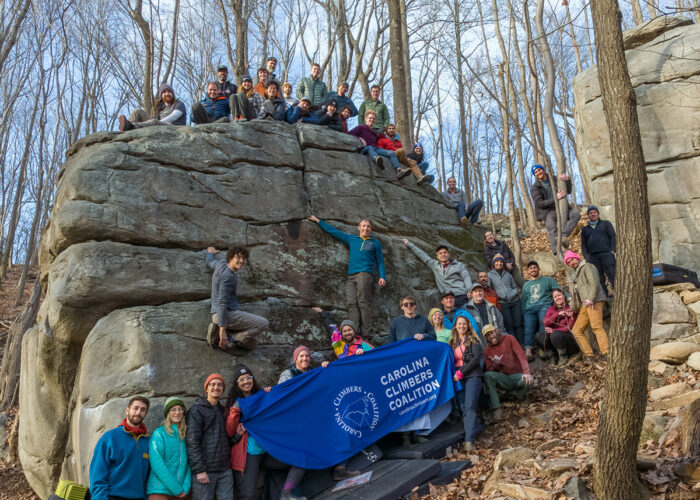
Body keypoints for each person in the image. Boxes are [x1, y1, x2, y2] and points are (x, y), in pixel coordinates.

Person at [226, 365, 305, 500]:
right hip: (249, 454)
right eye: (241, 380)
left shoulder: (262, 395)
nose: (246, 381)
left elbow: (277, 411)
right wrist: (236, 408)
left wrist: (270, 394)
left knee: (301, 460)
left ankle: (286, 494)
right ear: (237, 384)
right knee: (248, 495)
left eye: (248, 378)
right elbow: (229, 431)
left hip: (267, 451)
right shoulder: (236, 404)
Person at [313, 309, 369, 480]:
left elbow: (379, 357)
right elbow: (331, 328)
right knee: (347, 422)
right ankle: (341, 466)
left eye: (349, 329)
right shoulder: (338, 343)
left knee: (365, 421)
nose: (347, 332)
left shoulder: (363, 345)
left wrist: (365, 354)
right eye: (344, 330)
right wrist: (323, 313)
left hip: (363, 387)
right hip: (346, 388)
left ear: (354, 331)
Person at [308, 215, 386, 335]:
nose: (366, 228)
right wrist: (318, 221)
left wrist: (382, 276)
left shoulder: (375, 243)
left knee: (363, 303)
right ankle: (354, 332)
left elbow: (380, 261)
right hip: (351, 276)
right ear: (359, 227)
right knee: (351, 303)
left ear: (371, 229)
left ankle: (367, 334)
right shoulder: (352, 239)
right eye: (364, 226)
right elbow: (334, 232)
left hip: (364, 274)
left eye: (368, 226)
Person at [205, 246, 269, 351]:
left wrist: (210, 252)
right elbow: (222, 302)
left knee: (254, 342)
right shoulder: (229, 277)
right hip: (225, 315)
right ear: (230, 258)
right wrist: (222, 330)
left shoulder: (220, 265)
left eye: (244, 258)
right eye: (238, 257)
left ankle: (231, 335)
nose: (242, 261)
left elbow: (210, 262)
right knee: (263, 323)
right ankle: (231, 338)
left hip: (221, 313)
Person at [89, 396, 151, 500]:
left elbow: (149, 477)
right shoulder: (110, 438)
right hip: (112, 496)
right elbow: (97, 473)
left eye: (143, 410)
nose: (138, 412)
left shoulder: (148, 442)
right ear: (127, 410)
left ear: (145, 414)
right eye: (135, 408)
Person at [186, 374, 233, 499]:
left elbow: (228, 439)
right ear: (206, 389)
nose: (216, 387)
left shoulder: (224, 411)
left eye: (219, 384)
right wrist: (199, 470)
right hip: (205, 471)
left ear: (223, 389)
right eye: (212, 384)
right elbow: (192, 442)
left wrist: (238, 434)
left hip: (225, 471)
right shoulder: (197, 410)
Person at [565, 250, 609, 363]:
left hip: (594, 301)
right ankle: (589, 355)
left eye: (572, 259)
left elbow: (594, 283)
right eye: (568, 262)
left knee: (596, 327)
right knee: (576, 330)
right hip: (585, 304)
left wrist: (591, 299)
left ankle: (606, 353)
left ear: (577, 258)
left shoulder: (587, 266)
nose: (571, 263)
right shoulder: (576, 274)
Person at [401, 239, 473, 307]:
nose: (443, 255)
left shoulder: (459, 265)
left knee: (465, 317)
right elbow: (423, 255)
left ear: (448, 254)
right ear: (437, 256)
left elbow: (466, 277)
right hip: (447, 298)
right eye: (440, 253)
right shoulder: (434, 265)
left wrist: (469, 290)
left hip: (461, 295)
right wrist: (409, 244)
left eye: (445, 252)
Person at [483, 325, 533, 421]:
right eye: (488, 335)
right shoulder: (487, 351)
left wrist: (526, 372)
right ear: (486, 338)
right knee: (487, 375)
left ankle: (520, 396)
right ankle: (497, 408)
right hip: (504, 378)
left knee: (529, 380)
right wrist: (496, 365)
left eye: (492, 333)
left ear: (497, 331)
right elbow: (490, 370)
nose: (491, 336)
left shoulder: (509, 338)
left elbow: (521, 355)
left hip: (517, 375)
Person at [449, 315, 484, 450]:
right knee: (463, 408)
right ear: (455, 326)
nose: (462, 326)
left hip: (472, 376)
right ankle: (479, 427)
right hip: (457, 378)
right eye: (459, 324)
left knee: (469, 407)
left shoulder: (473, 340)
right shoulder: (452, 342)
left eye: (464, 324)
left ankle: (469, 440)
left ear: (468, 325)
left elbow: (475, 359)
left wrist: (461, 373)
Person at [529, 164, 581, 254]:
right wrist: (556, 198)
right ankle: (556, 251)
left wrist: (567, 180)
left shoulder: (555, 179)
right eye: (535, 172)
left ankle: (564, 234)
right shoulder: (535, 188)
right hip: (549, 210)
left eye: (539, 170)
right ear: (535, 175)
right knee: (551, 226)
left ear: (543, 170)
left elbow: (568, 191)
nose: (538, 173)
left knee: (576, 215)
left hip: (563, 207)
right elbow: (540, 203)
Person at [147, 397, 191, 499]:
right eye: (173, 409)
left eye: (180, 409)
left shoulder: (187, 434)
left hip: (180, 492)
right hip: (159, 490)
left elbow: (190, 463)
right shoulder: (159, 433)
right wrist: (176, 489)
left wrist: (186, 487)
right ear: (168, 413)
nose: (177, 412)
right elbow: (157, 464)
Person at [521, 260, 560, 361]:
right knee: (528, 327)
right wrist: (523, 313)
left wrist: (568, 297)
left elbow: (558, 289)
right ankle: (528, 350)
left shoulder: (547, 280)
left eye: (534, 267)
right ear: (528, 271)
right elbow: (524, 301)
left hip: (544, 305)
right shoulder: (526, 285)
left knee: (543, 322)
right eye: (530, 268)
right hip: (530, 309)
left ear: (538, 268)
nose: (533, 270)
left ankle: (543, 347)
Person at [580, 205, 616, 297]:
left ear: (598, 214)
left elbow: (613, 237)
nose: (593, 214)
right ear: (588, 215)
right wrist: (587, 257)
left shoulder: (606, 224)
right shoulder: (585, 229)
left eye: (594, 212)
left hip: (607, 254)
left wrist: (612, 250)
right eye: (590, 213)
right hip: (593, 257)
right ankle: (605, 297)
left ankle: (619, 294)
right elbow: (583, 245)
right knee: (599, 278)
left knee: (613, 274)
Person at [487, 255, 523, 346]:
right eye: (497, 262)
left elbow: (515, 287)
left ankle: (521, 344)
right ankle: (514, 345)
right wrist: (499, 296)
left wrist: (513, 293)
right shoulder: (489, 275)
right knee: (509, 325)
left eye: (501, 262)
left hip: (515, 301)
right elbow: (489, 289)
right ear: (493, 264)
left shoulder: (508, 274)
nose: (499, 263)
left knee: (518, 323)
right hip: (503, 303)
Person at [119, 83, 186, 131]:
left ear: (173, 94)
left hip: (175, 128)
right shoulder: (161, 109)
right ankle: (127, 127)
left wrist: (158, 123)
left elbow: (174, 117)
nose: (167, 94)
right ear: (161, 96)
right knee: (138, 111)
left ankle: (131, 126)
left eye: (169, 92)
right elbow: (156, 121)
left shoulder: (179, 104)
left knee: (154, 121)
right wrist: (157, 122)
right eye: (164, 92)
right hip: (160, 126)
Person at [542, 288, 581, 366]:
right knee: (539, 336)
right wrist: (557, 314)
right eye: (555, 297)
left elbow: (571, 327)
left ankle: (563, 356)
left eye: (559, 295)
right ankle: (553, 356)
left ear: (563, 295)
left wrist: (554, 330)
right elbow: (545, 323)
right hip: (556, 342)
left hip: (570, 342)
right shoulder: (551, 309)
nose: (558, 298)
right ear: (553, 299)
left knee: (555, 334)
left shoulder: (570, 307)